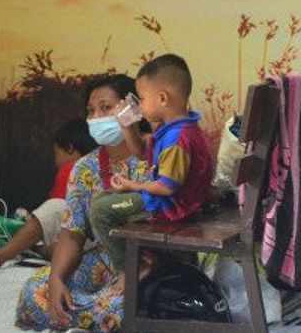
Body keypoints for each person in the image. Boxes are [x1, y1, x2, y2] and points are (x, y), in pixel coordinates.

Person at [16, 74, 151, 332]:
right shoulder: (84, 169)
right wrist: (57, 278)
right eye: (91, 111)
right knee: (35, 293)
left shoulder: (155, 156)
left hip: (147, 263)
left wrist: (136, 271)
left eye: (106, 107)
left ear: (131, 109)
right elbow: (72, 235)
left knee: (118, 310)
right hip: (103, 261)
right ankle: (89, 316)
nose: (96, 118)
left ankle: (92, 315)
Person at [89, 53, 214, 285]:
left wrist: (132, 185)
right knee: (102, 200)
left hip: (171, 206)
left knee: (101, 211)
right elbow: (140, 152)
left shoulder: (178, 138)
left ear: (163, 98)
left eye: (144, 98)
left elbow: (166, 188)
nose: (141, 104)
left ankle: (133, 268)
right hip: (170, 201)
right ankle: (140, 263)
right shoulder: (175, 128)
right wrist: (127, 124)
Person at [0, 118, 96, 273]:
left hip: (85, 238)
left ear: (69, 148)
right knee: (56, 244)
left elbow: (55, 212)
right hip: (94, 241)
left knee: (52, 213)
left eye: (56, 153)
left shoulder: (72, 169)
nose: (55, 161)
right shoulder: (98, 163)